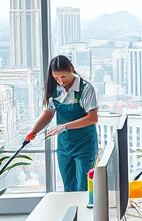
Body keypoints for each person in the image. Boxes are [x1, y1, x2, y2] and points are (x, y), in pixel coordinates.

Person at [26, 55, 99, 192]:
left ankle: (85, 212)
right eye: (56, 78)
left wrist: (64, 126)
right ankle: (74, 213)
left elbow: (92, 118)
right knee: (69, 186)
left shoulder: (86, 89)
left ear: (71, 70)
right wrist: (33, 132)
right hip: (65, 145)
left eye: (63, 76)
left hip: (85, 144)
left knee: (83, 186)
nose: (60, 81)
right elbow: (48, 113)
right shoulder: (55, 90)